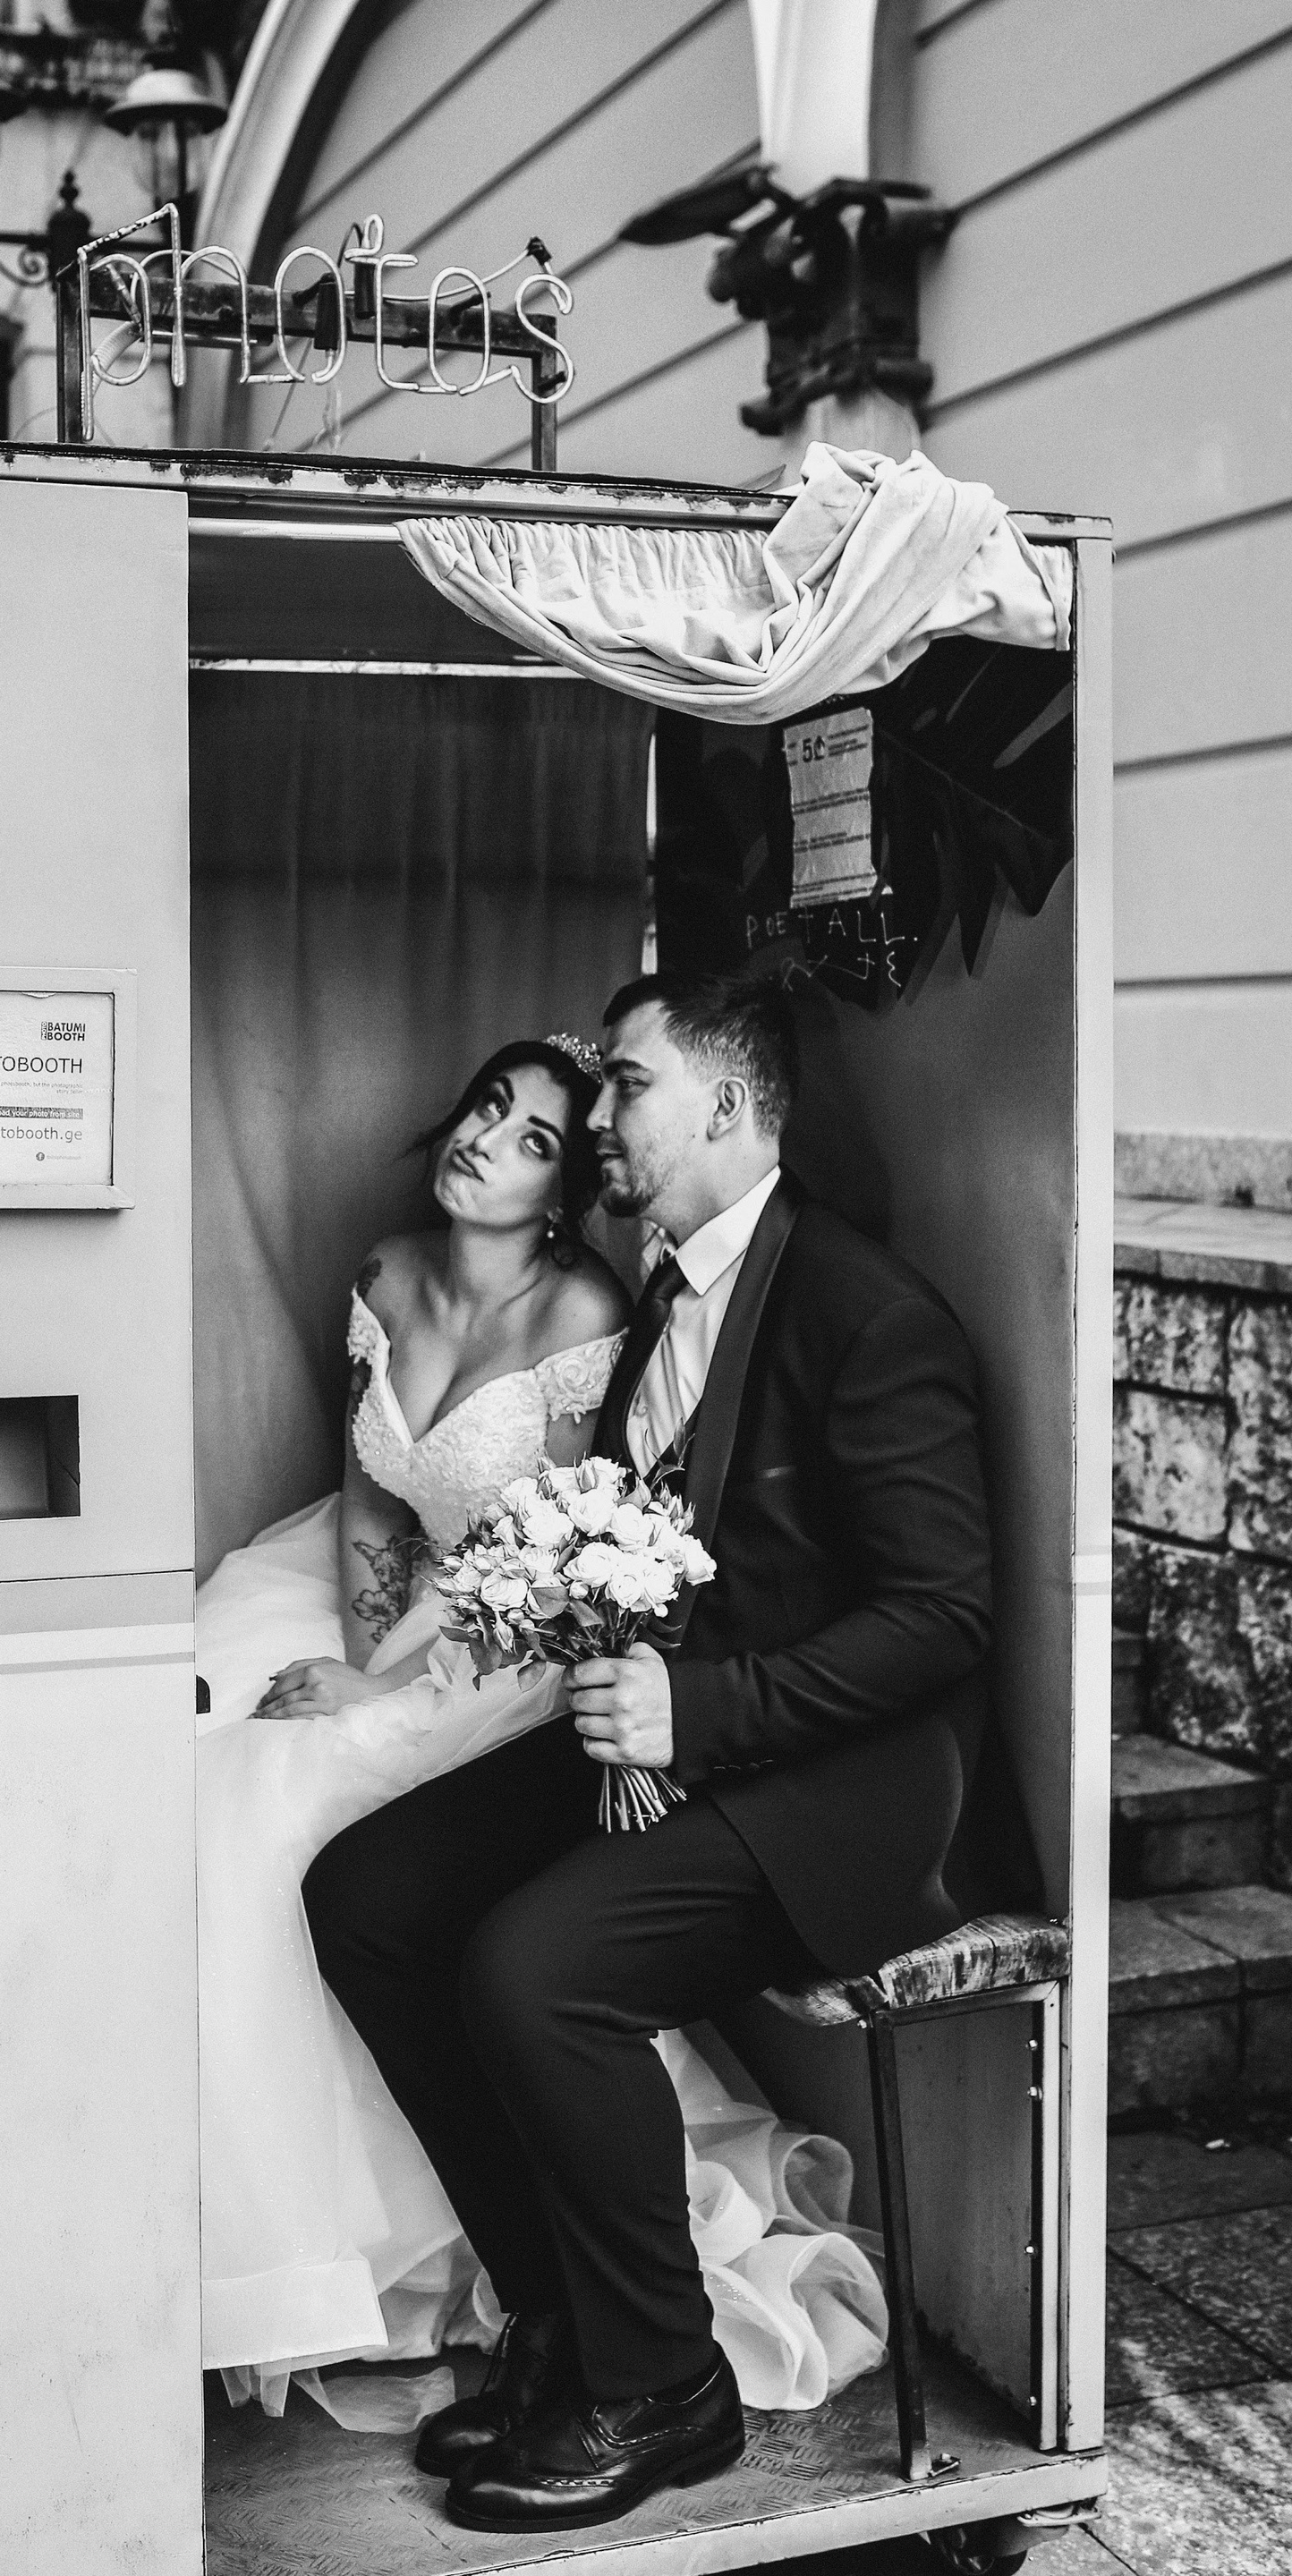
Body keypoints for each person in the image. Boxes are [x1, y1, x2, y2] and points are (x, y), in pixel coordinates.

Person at [305, 972, 1002, 2531]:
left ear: (731, 1107)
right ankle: (559, 2318)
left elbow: (945, 1617)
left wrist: (708, 1713)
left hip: (842, 1794)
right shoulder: (663, 1298)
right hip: (677, 1753)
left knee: (537, 1968)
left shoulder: (867, 1312)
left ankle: (663, 2383)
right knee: (370, 1897)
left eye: (627, 1086)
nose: (599, 1115)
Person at [194, 1031, 888, 2430]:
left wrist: (395, 1693)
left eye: (536, 1137)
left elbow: (558, 1552)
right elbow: (378, 1500)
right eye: (485, 1107)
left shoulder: (595, 1314)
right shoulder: (389, 1274)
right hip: (398, 1599)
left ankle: (503, 2301)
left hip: (519, 1641)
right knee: (215, 1765)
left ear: (566, 1193)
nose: (485, 1139)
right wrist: (361, 1654)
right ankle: (366, 2265)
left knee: (303, 1824)